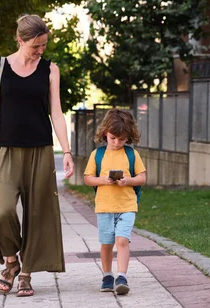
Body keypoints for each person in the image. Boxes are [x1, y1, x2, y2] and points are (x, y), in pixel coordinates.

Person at [0, 14, 74, 297]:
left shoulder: (50, 70)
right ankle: (10, 260)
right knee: (5, 211)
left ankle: (25, 272)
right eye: (35, 46)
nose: (40, 50)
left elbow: (56, 112)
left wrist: (66, 150)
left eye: (43, 45)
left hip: (40, 151)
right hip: (6, 150)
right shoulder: (0, 67)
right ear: (20, 40)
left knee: (37, 214)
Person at [83, 108, 146, 295]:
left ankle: (122, 277)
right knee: (106, 243)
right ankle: (107, 275)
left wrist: (128, 180)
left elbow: (142, 178)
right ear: (105, 133)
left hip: (126, 206)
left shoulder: (131, 155)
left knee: (122, 240)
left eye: (122, 139)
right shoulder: (97, 155)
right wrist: (103, 180)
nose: (117, 142)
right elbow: (88, 178)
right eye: (113, 138)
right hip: (104, 207)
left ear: (129, 137)